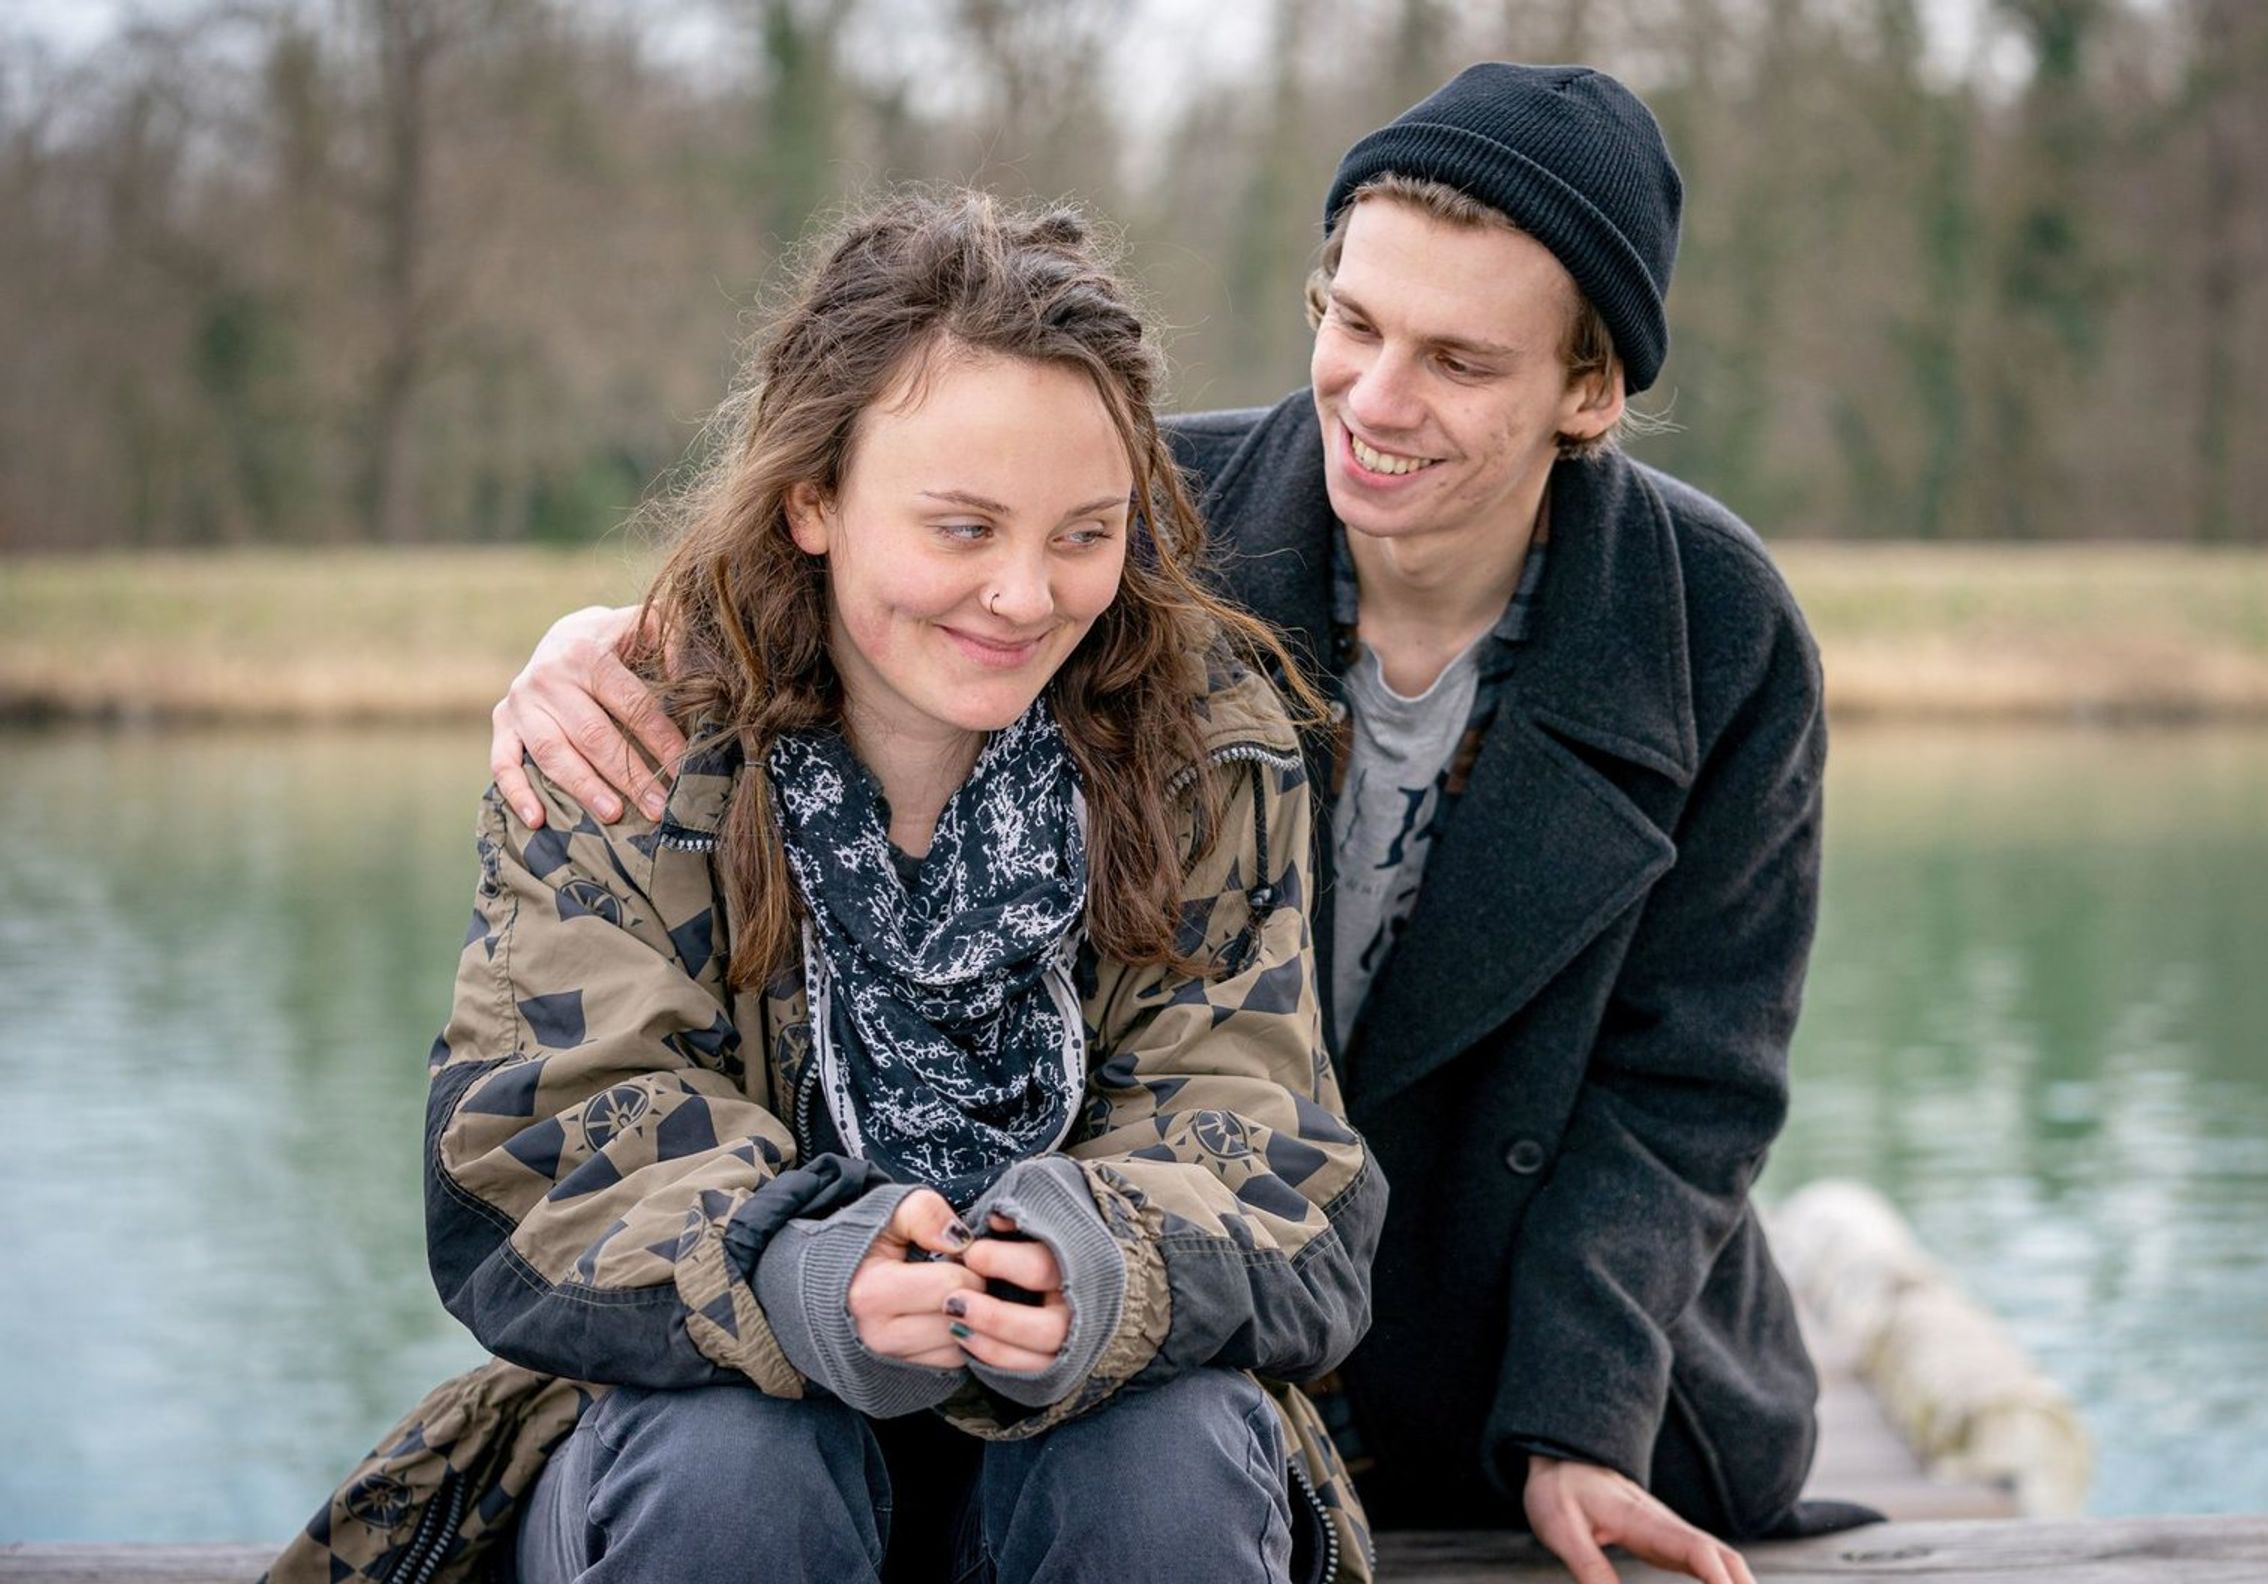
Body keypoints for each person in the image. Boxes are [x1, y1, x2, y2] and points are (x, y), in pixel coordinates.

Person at [494, 65, 1883, 1584]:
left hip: (1464, 1345)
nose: (1377, 397)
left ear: (1589, 391)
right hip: (1082, 1349)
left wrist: (1585, 1413)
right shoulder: (1137, 527)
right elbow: (866, 557)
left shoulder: (1715, 630)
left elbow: (1688, 1081)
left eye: (1460, 360)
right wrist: (623, 640)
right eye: (1352, 322)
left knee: (1176, 1482)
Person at [264, 190, 1386, 1584]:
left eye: (1084, 534)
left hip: (1073, 1456)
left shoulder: (1207, 750)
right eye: (962, 529)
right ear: (814, 500)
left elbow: (1269, 1139)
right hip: (687, 1456)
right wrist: (796, 1264)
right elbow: (538, 1141)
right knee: (735, 1463)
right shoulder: (628, 740)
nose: (1026, 595)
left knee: (1172, 1458)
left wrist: (1103, 1265)